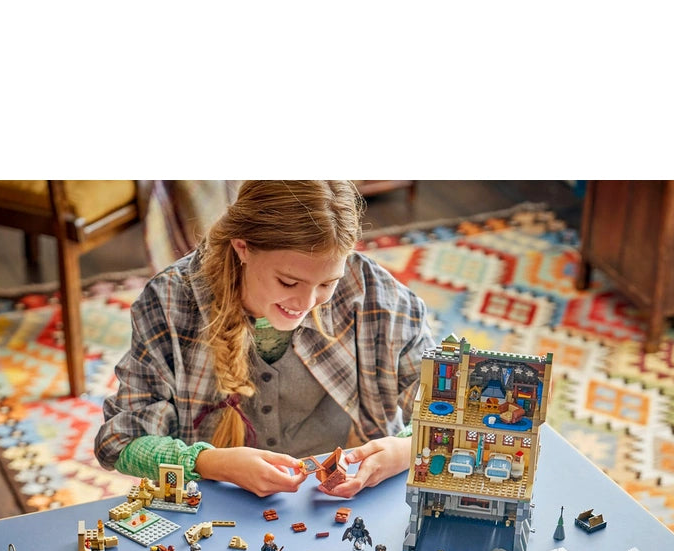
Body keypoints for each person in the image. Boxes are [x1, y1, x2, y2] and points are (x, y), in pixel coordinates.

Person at [95, 180, 435, 498]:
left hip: (340, 497)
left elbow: (448, 408)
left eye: (327, 283)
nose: (306, 303)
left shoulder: (372, 292)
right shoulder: (171, 300)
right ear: (242, 247)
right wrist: (211, 463)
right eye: (288, 282)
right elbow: (120, 441)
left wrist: (406, 449)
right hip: (219, 498)